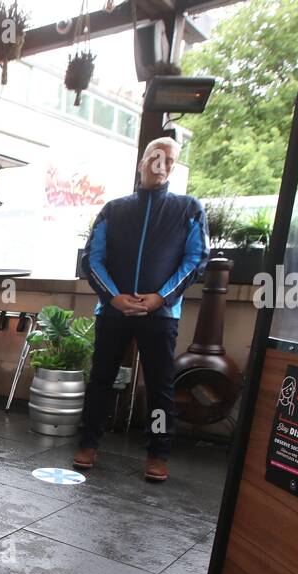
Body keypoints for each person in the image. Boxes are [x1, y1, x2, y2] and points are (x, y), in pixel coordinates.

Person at [73, 136, 208, 483]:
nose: (161, 165)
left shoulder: (188, 208)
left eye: (169, 161)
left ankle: (158, 453)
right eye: (155, 157)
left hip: (160, 315)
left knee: (161, 387)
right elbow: (93, 258)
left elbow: (196, 260)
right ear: (142, 163)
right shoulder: (113, 210)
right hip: (113, 311)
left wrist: (160, 297)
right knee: (100, 380)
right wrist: (113, 297)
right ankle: (88, 443)